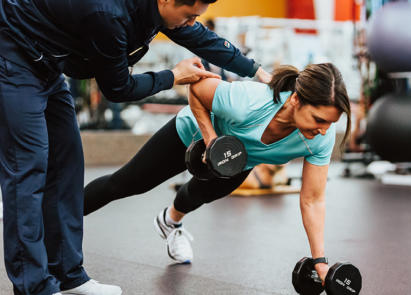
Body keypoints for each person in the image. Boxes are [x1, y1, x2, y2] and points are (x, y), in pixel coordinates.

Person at [0, 0, 271, 294]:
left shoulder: (160, 10)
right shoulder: (108, 14)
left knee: (67, 164)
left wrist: (259, 73)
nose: (192, 22)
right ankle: (34, 286)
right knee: (28, 169)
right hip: (9, 53)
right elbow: (118, 89)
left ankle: (68, 275)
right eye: (189, 15)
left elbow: (199, 36)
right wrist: (173, 76)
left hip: (47, 61)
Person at [84, 63, 352, 284]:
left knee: (199, 194)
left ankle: (170, 221)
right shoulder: (249, 101)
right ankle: (54, 218)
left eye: (331, 123)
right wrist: (210, 139)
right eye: (319, 119)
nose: (325, 130)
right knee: (124, 184)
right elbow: (197, 87)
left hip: (237, 160)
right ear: (295, 99)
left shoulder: (320, 140)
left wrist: (320, 262)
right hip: (188, 133)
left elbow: (313, 200)